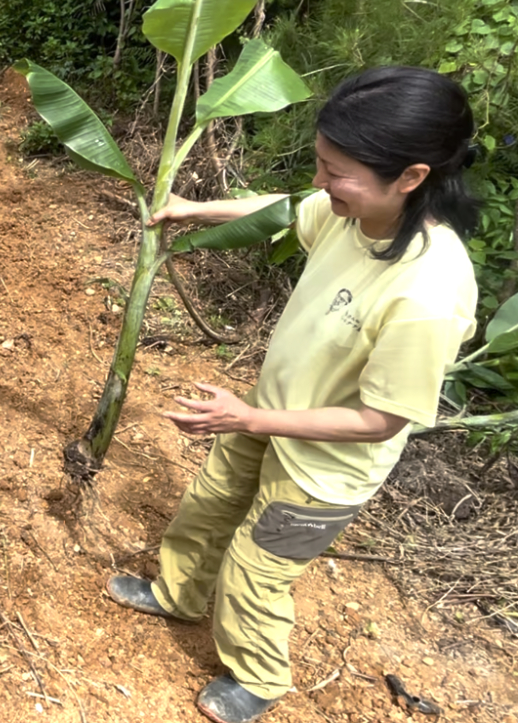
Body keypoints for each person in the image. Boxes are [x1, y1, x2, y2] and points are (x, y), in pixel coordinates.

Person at [106, 66, 480, 723]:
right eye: (320, 162)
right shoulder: (352, 214)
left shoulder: (428, 293)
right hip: (263, 413)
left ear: (411, 177)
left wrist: (249, 417)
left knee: (256, 570)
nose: (319, 180)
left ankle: (259, 679)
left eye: (336, 171)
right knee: (208, 507)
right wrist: (195, 209)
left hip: (324, 468)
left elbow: (380, 420)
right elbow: (286, 206)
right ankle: (176, 594)